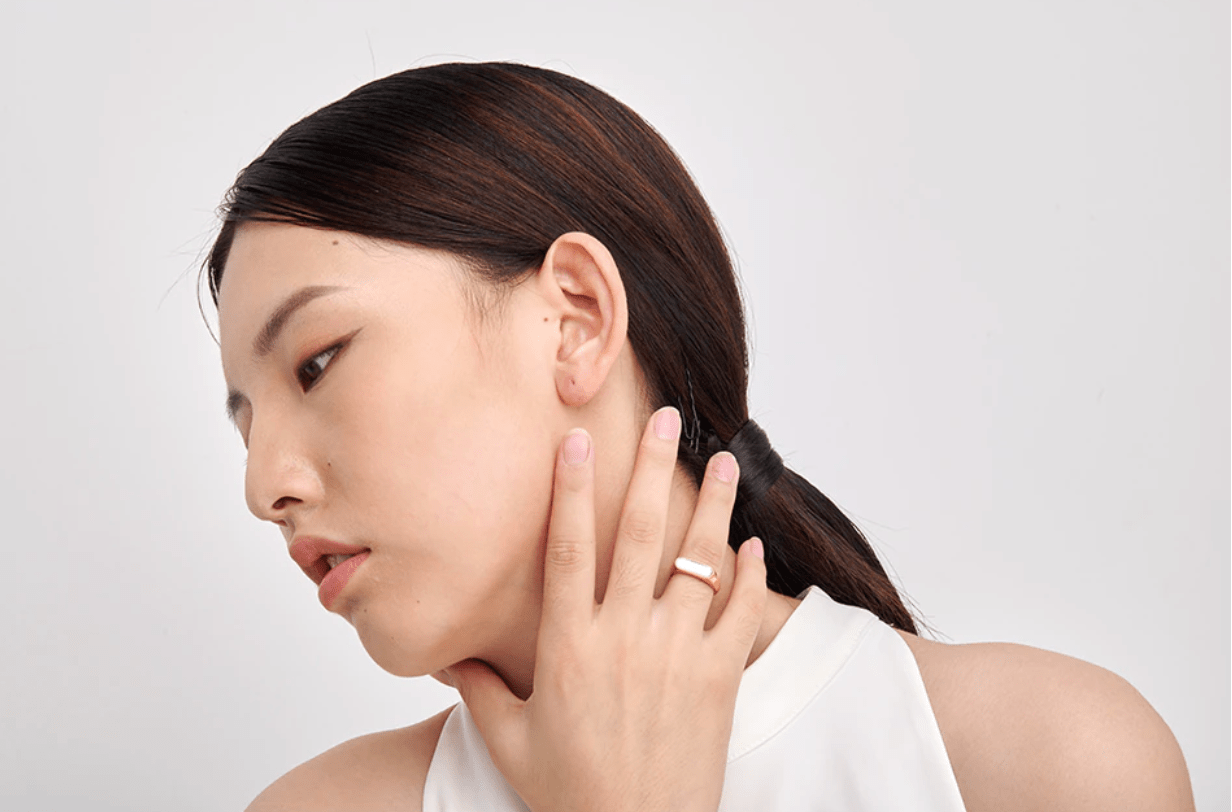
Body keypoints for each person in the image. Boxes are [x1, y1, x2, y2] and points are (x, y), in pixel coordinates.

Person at [209, 62, 1194, 811]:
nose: (263, 487)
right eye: (243, 420)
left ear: (576, 317)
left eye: (318, 361)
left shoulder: (1042, 762)